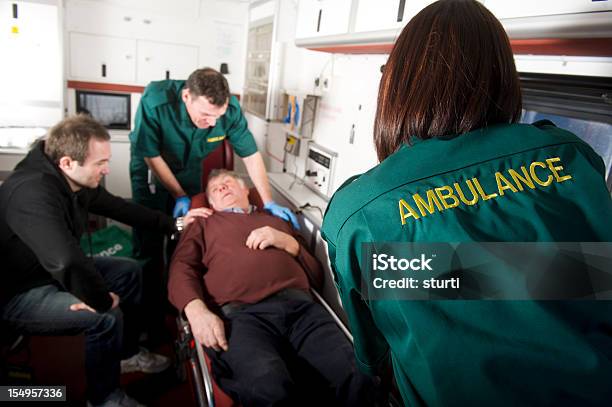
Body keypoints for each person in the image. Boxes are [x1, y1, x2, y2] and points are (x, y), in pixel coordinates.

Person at [321, 1, 612, 406]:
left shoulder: (361, 214)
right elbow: (594, 281)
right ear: (503, 78)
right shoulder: (573, 160)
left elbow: (376, 353)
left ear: (396, 88)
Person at [0, 115, 207, 407]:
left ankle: (126, 354)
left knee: (130, 271)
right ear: (67, 163)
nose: (107, 169)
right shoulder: (32, 192)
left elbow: (119, 208)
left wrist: (176, 225)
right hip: (20, 292)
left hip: (49, 272)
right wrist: (98, 298)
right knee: (106, 317)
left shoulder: (72, 180)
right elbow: (65, 261)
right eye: (100, 163)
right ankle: (104, 398)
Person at [168, 169, 375, 406]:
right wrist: (196, 312)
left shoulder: (276, 220)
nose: (223, 188)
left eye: (228, 183)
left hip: (302, 312)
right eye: (215, 189)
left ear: (246, 190)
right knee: (269, 387)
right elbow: (181, 267)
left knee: (356, 376)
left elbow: (316, 277)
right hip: (241, 319)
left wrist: (286, 241)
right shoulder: (203, 225)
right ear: (211, 203)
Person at [129, 67, 297, 262]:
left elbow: (251, 155)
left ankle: (174, 281)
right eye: (205, 115)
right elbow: (151, 155)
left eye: (217, 116)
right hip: (151, 169)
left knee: (185, 231)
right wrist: (179, 195)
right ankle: (148, 283)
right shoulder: (156, 101)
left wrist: (268, 201)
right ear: (186, 97)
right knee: (150, 232)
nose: (211, 123)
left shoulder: (230, 110)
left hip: (190, 167)